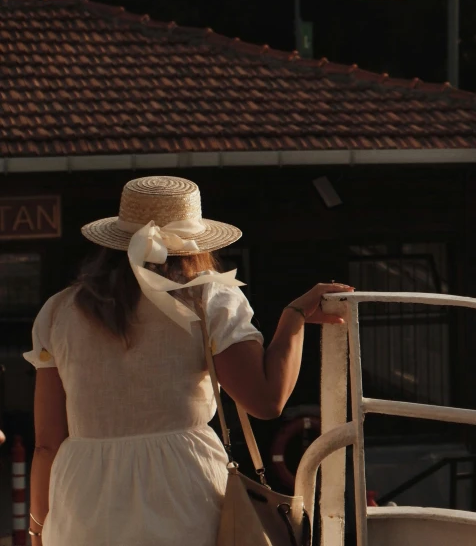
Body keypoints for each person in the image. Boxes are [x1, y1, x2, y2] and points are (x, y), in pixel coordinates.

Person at [24, 176, 353, 546]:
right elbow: (266, 400)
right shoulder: (210, 298)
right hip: (183, 490)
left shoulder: (59, 311)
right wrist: (293, 317)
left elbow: (46, 443)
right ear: (196, 242)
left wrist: (38, 528)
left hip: (83, 500)